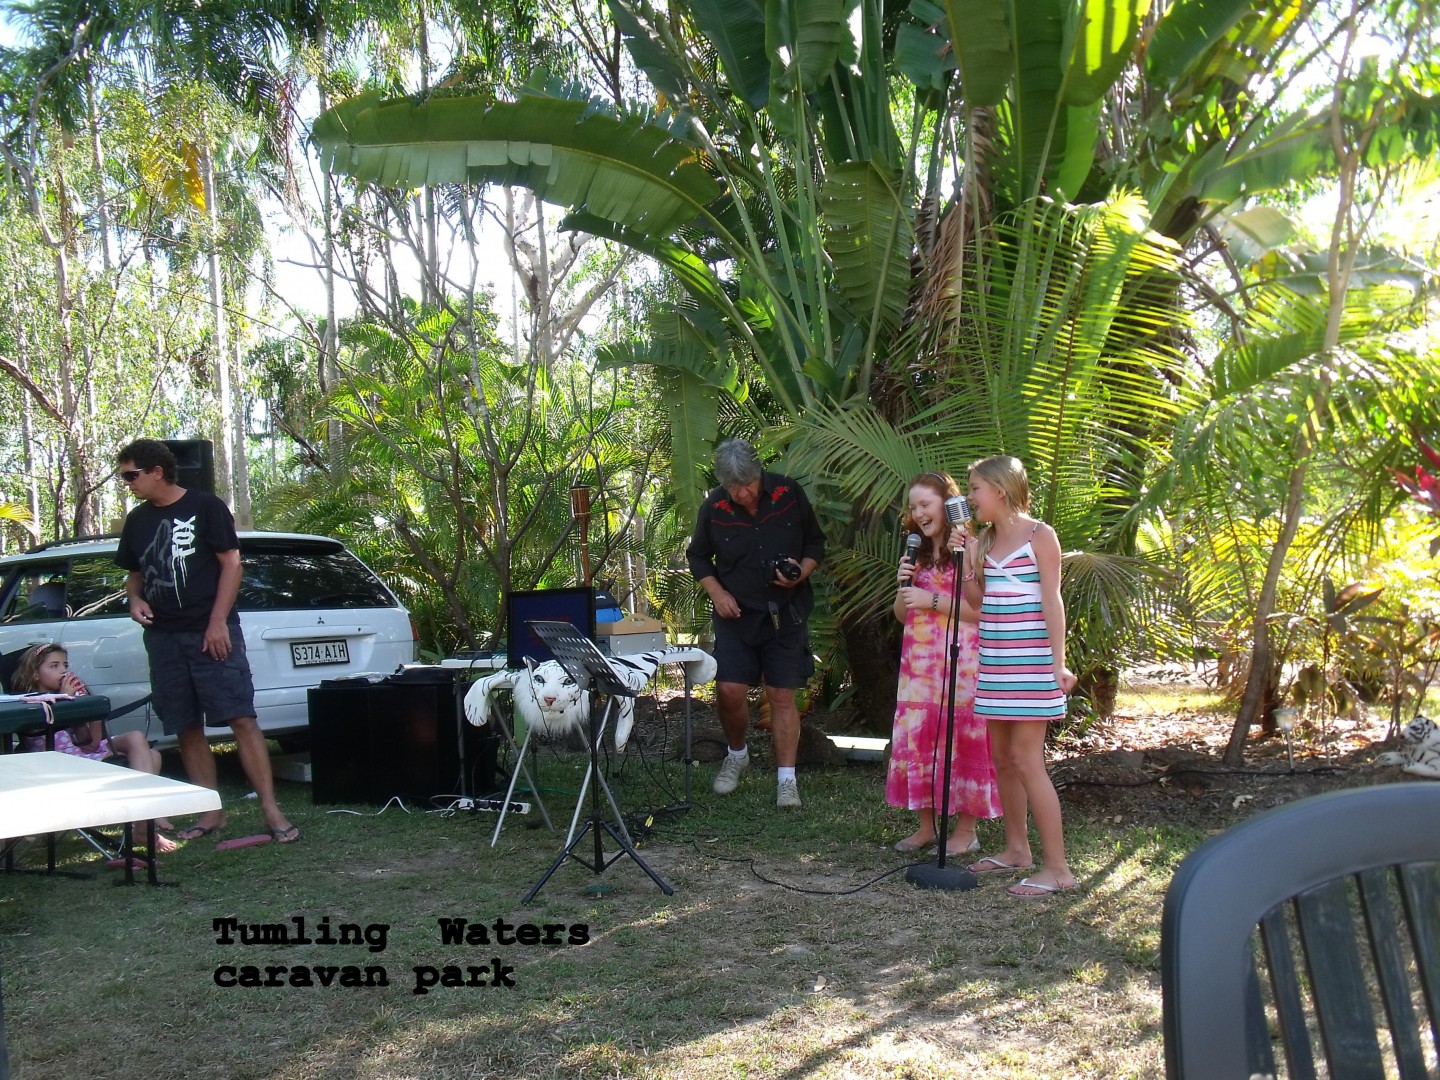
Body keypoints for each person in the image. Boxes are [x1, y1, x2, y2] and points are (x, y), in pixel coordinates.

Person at [113, 438, 300, 844]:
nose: (127, 483)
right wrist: (135, 599)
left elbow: (232, 564)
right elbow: (134, 574)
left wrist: (217, 623)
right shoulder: (138, 520)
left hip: (211, 631)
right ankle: (211, 812)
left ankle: (271, 809)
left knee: (241, 717)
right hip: (163, 637)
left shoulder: (205, 506)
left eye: (131, 475)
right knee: (185, 726)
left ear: (157, 472)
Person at [956, 455, 1076, 896]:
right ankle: (1016, 850)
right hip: (996, 664)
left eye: (975, 489)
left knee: (1027, 761)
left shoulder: (1040, 535)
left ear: (1000, 490)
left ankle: (1058, 870)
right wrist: (966, 560)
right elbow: (978, 601)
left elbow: (1052, 601)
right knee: (1003, 760)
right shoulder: (984, 540)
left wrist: (1059, 662)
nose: (970, 497)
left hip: (1031, 666)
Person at [686, 438, 825, 808]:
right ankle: (737, 754)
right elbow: (698, 556)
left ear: (759, 473)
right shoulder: (714, 506)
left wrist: (800, 573)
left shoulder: (788, 493)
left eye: (747, 485)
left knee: (782, 695)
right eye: (733, 488)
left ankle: (786, 780)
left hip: (786, 613)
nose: (742, 494)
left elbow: (815, 543)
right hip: (735, 616)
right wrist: (717, 593)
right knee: (729, 690)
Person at [889, 472, 1001, 855]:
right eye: (913, 506)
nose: (919, 513)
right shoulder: (915, 554)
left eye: (926, 504)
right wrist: (904, 587)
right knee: (921, 737)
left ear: (947, 504)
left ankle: (966, 832)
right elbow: (902, 614)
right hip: (918, 666)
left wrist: (932, 600)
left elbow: (982, 611)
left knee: (964, 738)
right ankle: (926, 827)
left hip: (962, 661)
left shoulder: (970, 547)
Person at [12, 642, 179, 853]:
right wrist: (68, 703)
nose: (63, 671)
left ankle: (144, 819)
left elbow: (89, 742)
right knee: (152, 756)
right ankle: (147, 819)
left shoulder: (66, 695)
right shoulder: (30, 703)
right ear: (35, 673)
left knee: (139, 741)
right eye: (54, 666)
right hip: (62, 764)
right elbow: (48, 727)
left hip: (83, 752)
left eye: (65, 665)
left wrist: (87, 705)